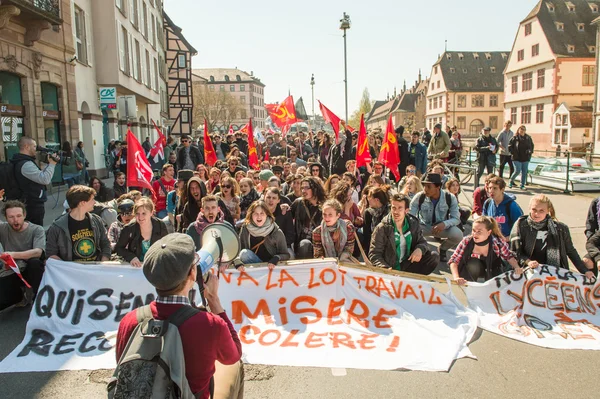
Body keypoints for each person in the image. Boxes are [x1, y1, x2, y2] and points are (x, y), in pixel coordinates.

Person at [115, 234, 244, 399]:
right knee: (235, 366)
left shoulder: (129, 320)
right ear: (192, 273)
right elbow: (234, 354)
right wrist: (214, 301)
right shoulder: (210, 324)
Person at [509, 194, 592, 279]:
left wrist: (585, 271)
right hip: (528, 274)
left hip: (554, 275)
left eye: (541, 211)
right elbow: (514, 252)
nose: (537, 214)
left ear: (548, 210)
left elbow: (571, 251)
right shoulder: (521, 225)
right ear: (529, 208)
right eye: (534, 210)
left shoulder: (561, 228)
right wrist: (528, 262)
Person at [370, 194, 439, 274]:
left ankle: (413, 281)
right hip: (390, 267)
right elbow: (374, 254)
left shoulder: (413, 223)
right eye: (393, 208)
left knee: (434, 256)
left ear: (406, 210)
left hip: (407, 264)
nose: (396, 212)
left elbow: (422, 242)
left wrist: (419, 249)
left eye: (400, 208)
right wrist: (384, 268)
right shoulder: (382, 227)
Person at [0, 199, 46, 310]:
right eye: (11, 217)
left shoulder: (37, 229)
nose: (16, 220)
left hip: (31, 270)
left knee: (35, 263)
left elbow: (38, 251)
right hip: (12, 271)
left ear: (24, 215)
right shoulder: (3, 228)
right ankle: (20, 295)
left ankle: (40, 298)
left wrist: (12, 254)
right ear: (6, 218)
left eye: (19, 216)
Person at [46, 185, 111, 261]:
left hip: (95, 268)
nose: (95, 202)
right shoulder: (57, 227)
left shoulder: (96, 220)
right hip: (71, 270)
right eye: (92, 199)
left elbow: (105, 243)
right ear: (82, 203)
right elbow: (50, 253)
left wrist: (104, 261)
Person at [449, 216, 522, 284]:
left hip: (492, 270)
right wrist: (456, 277)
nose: (475, 234)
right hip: (471, 271)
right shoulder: (466, 241)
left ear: (489, 232)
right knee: (474, 264)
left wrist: (517, 267)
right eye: (473, 230)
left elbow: (508, 256)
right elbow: (454, 260)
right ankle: (470, 287)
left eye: (479, 231)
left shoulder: (497, 243)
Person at [409, 173, 461, 262]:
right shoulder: (419, 196)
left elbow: (456, 219)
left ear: (438, 187)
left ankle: (443, 249)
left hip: (442, 228)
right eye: (424, 186)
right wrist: (414, 229)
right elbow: (410, 217)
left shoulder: (450, 197)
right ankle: (417, 250)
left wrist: (444, 224)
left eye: (429, 187)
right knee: (408, 231)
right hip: (423, 227)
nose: (425, 189)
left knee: (458, 235)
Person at [11, 136, 57, 226]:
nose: (36, 149)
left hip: (30, 202)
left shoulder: (23, 161)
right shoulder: (26, 164)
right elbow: (45, 179)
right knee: (35, 232)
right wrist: (52, 164)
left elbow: (39, 176)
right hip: (32, 204)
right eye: (34, 146)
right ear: (26, 147)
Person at [115, 198, 168, 267]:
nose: (140, 217)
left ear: (151, 213)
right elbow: (119, 248)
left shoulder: (160, 225)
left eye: (144, 213)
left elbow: (166, 246)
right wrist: (131, 257)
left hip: (155, 266)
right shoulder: (129, 228)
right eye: (137, 214)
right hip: (136, 266)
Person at [238, 200, 290, 268]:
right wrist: (237, 261)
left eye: (262, 213)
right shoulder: (245, 228)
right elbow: (238, 250)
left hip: (271, 267)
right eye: (256, 213)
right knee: (244, 253)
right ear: (251, 215)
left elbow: (286, 255)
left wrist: (277, 258)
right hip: (253, 267)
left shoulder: (276, 232)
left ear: (267, 215)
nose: (259, 216)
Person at [291, 176, 325, 259]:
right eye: (302, 188)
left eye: (306, 188)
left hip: (320, 243)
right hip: (302, 244)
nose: (303, 191)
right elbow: (286, 218)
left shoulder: (325, 205)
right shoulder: (298, 203)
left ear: (315, 189)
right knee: (305, 244)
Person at [362, 186, 391, 257]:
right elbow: (367, 234)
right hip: (373, 246)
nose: (368, 199)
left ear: (377, 200)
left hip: (388, 246)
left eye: (369, 197)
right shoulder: (368, 212)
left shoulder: (390, 211)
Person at [508, 125, 534, 190]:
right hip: (516, 157)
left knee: (524, 172)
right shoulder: (515, 138)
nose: (522, 131)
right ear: (518, 130)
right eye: (521, 129)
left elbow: (532, 146)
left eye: (523, 129)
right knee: (517, 170)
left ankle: (522, 185)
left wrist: (530, 151)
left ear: (525, 131)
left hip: (525, 157)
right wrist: (513, 152)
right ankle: (511, 181)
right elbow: (509, 146)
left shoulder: (528, 138)